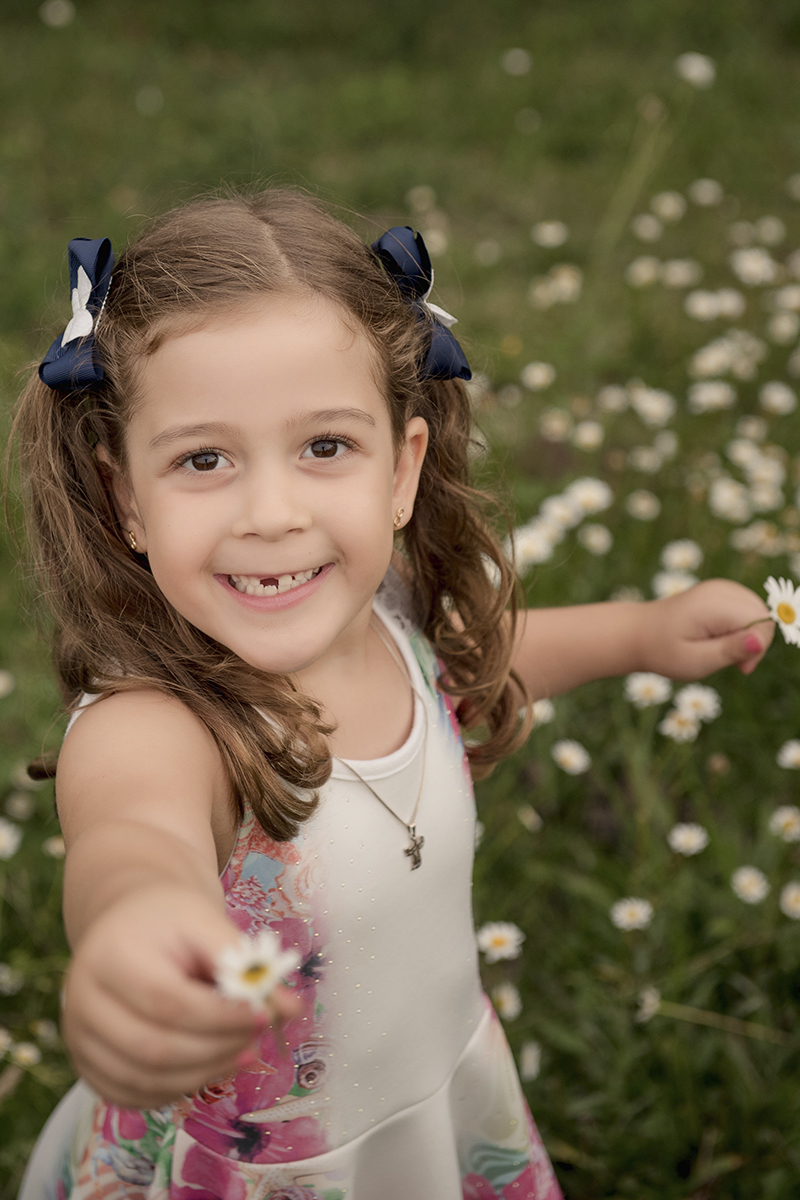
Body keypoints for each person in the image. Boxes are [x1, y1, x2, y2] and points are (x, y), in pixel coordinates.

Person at [14, 189, 772, 1200]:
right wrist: (134, 934)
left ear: (402, 470)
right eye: (204, 459)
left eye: (324, 447)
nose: (271, 513)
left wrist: (642, 634)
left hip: (437, 1101)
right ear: (127, 500)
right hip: (270, 1171)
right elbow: (132, 840)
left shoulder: (393, 622)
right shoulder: (158, 727)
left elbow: (482, 663)